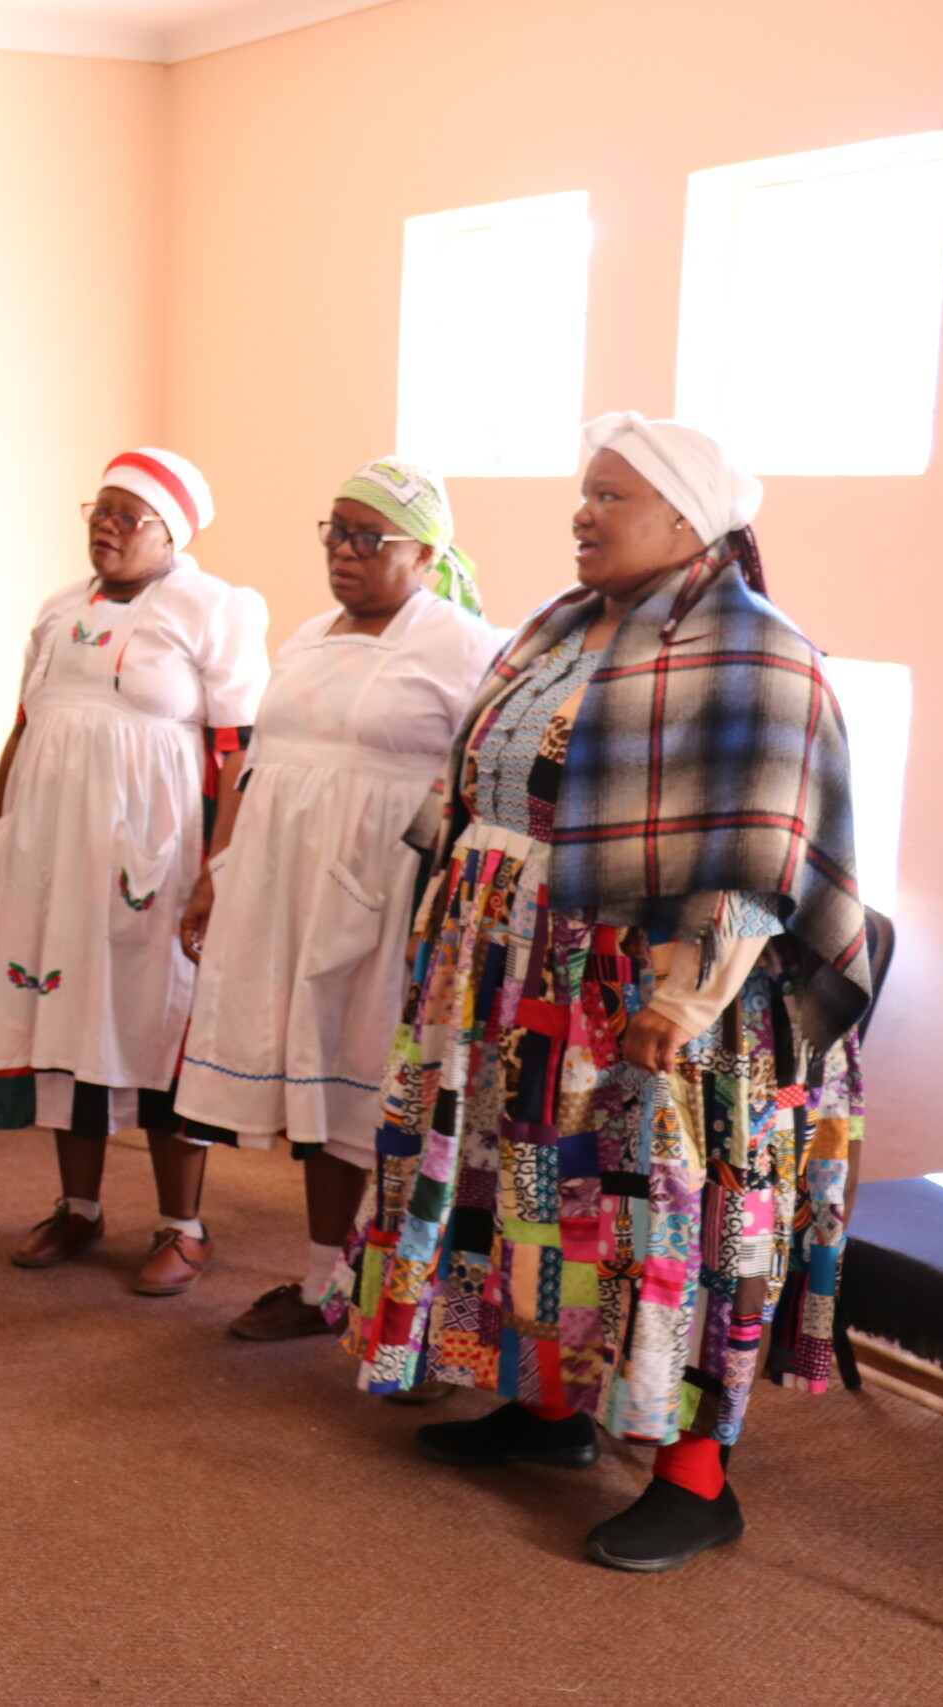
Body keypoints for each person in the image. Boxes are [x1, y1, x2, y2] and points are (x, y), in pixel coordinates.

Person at [343, 414, 872, 1572]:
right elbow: (478, 780)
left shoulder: (755, 657)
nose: (582, 514)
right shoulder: (564, 625)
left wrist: (680, 1003)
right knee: (531, 1187)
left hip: (652, 994)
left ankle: (697, 1475)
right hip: (516, 970)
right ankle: (549, 1409)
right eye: (583, 493)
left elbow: (759, 858)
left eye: (610, 497)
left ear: (690, 521)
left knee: (664, 1215)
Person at [176, 459, 500, 1338]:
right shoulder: (309, 634)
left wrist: (445, 916)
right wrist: (221, 870)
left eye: (369, 537)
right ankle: (324, 1281)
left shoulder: (466, 646)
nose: (344, 552)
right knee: (318, 1084)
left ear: (426, 552)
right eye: (334, 531)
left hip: (393, 893)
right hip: (284, 885)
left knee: (381, 1090)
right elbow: (259, 761)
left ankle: (415, 1304)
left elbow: (483, 786)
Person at [0, 450, 267, 1295]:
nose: (108, 524)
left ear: (172, 531)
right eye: (101, 507)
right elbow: (26, 729)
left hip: (155, 861)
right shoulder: (60, 610)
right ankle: (79, 1205)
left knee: (157, 1028)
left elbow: (239, 751)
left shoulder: (214, 610)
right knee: (63, 1018)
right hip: (50, 854)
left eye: (130, 515)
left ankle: (183, 1225)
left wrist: (221, 868)